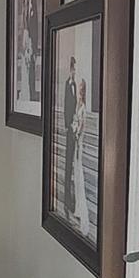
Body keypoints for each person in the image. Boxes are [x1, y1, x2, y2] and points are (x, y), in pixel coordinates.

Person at [72, 78, 92, 236]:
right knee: (76, 176)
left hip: (79, 142)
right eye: (79, 90)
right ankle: (77, 208)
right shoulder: (78, 105)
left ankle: (81, 209)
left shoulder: (83, 108)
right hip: (76, 141)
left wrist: (77, 132)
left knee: (79, 175)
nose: (80, 93)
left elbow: (82, 125)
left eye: (81, 90)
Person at [62, 55, 78, 217]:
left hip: (76, 129)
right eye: (73, 69)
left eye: (75, 69)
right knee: (68, 165)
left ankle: (72, 198)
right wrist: (68, 126)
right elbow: (66, 106)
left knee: (74, 165)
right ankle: (67, 198)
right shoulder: (68, 85)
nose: (74, 72)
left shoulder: (76, 86)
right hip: (70, 131)